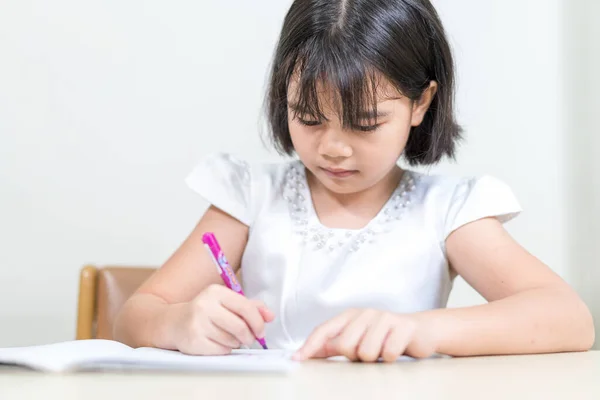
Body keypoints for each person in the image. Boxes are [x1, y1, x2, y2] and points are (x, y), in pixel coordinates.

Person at [113, 0, 594, 362]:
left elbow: (569, 320)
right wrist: (179, 323)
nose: (333, 148)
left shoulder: (446, 210)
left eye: (364, 124)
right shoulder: (250, 198)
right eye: (308, 117)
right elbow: (135, 316)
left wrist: (421, 331)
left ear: (421, 104)